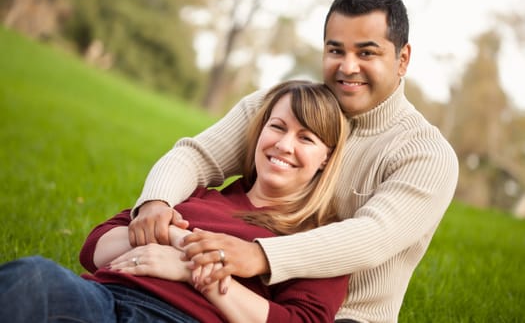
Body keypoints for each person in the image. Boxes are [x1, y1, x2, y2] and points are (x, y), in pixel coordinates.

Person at [128, 0, 459, 323]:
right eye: (335, 50)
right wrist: (157, 201)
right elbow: (196, 156)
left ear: (402, 59)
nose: (347, 67)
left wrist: (259, 255)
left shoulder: (426, 155)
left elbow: (372, 236)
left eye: (366, 53)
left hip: (349, 316)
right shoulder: (280, 106)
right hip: (239, 294)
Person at [0, 81, 351, 322]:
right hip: (103, 300)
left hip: (185, 318)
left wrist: (191, 270)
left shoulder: (316, 241)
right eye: (277, 127)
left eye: (306, 138)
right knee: (34, 278)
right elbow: (95, 248)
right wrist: (176, 239)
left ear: (325, 158)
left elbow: (300, 320)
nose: (284, 145)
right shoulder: (200, 195)